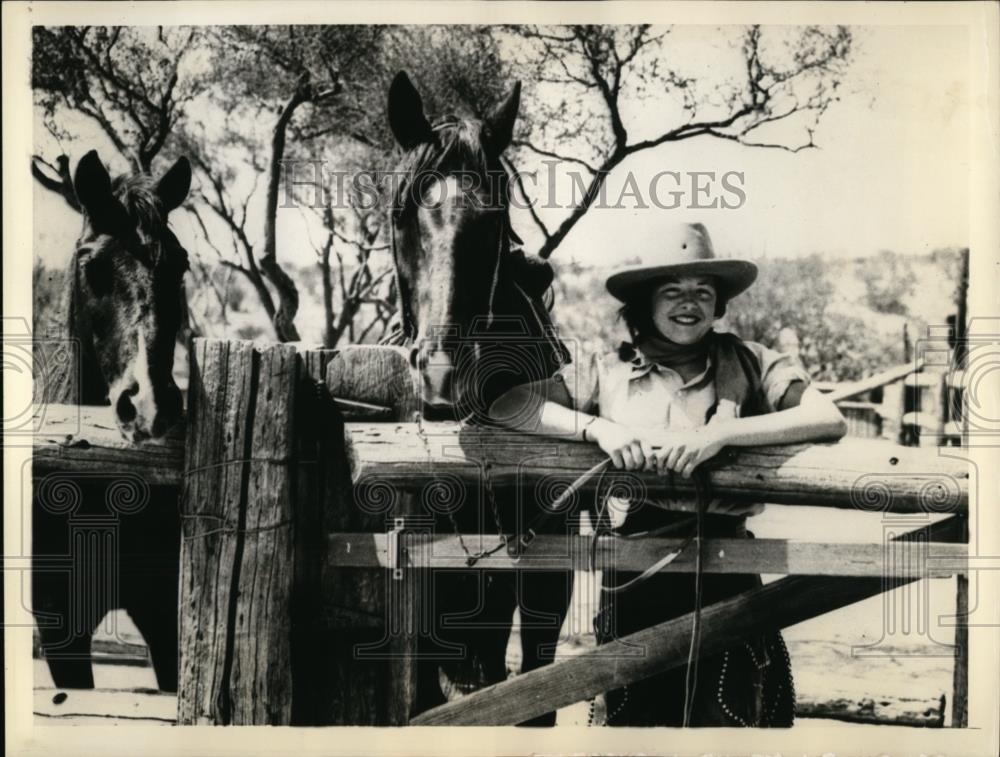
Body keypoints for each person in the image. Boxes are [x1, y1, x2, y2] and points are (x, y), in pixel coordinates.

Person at [489, 222, 847, 727]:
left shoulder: (750, 362)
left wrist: (721, 435)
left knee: (731, 718)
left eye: (703, 290)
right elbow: (509, 405)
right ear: (644, 302)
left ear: (719, 303)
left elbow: (828, 418)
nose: (690, 303)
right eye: (672, 290)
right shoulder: (607, 371)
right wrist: (597, 429)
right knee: (635, 722)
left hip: (728, 570)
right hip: (634, 573)